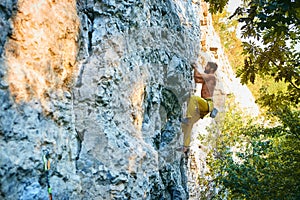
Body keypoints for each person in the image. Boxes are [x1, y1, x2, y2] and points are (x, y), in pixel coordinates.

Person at [181, 61, 218, 154]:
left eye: (207, 66)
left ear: (212, 69)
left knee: (193, 98)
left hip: (208, 103)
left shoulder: (212, 76)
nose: (205, 68)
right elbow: (197, 80)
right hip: (204, 106)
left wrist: (195, 67)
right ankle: (186, 147)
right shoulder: (208, 78)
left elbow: (198, 75)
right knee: (188, 126)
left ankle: (188, 118)